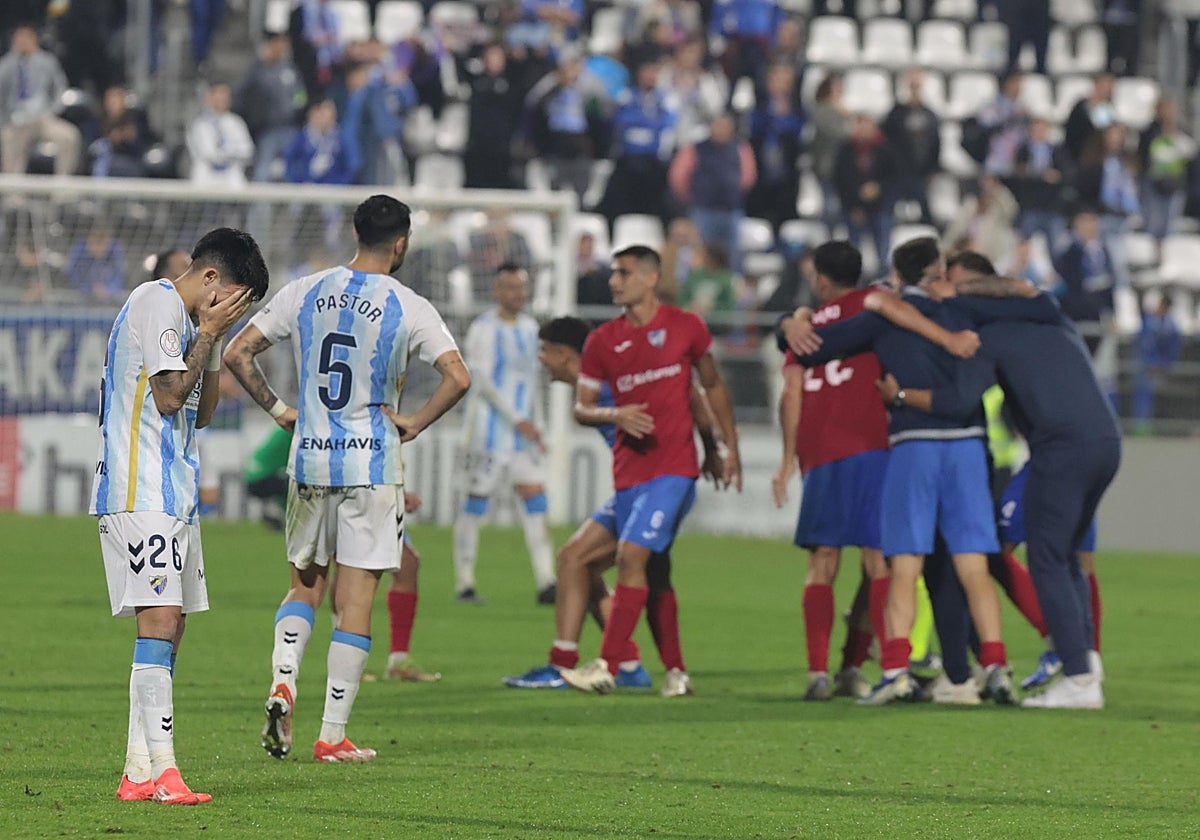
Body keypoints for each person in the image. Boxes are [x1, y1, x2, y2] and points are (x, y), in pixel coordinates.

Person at [222, 195, 470, 762]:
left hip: (310, 461)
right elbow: (458, 377)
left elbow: (239, 352)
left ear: (355, 232)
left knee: (304, 587)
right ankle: (331, 734)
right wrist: (413, 423)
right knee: (355, 601)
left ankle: (284, 681)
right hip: (372, 468)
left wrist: (281, 411)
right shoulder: (410, 306)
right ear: (401, 243)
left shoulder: (305, 290)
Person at [866, 271, 1121, 709]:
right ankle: (1087, 663)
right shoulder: (1052, 322)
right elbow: (1030, 300)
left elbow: (958, 401)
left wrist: (901, 396)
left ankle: (1079, 678)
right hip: (1106, 441)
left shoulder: (992, 339)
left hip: (1060, 449)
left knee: (1046, 560)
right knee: (1068, 555)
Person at [786, 237, 1014, 706]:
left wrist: (790, 323)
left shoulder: (879, 317)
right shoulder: (968, 315)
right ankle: (995, 668)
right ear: (939, 271)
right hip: (968, 448)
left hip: (913, 447)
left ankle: (894, 670)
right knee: (973, 567)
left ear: (897, 274)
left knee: (903, 566)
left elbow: (811, 351)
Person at [91, 228, 267, 804]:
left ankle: (137, 770)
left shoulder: (191, 325)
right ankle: (166, 774)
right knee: (161, 620)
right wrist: (208, 332)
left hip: (173, 495)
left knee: (173, 625)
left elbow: (205, 409)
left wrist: (212, 340)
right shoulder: (157, 300)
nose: (232, 312)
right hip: (141, 489)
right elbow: (168, 397)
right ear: (211, 278)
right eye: (234, 298)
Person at [559, 245, 743, 697]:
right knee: (654, 570)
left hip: (675, 470)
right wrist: (615, 415)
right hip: (629, 474)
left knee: (631, 557)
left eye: (623, 273)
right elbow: (582, 409)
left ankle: (609, 663)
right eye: (613, 273)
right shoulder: (602, 341)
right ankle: (676, 672)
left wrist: (722, 446)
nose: (613, 281)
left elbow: (710, 388)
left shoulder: (687, 327)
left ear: (649, 278)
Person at [504, 316, 724, 691]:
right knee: (586, 561)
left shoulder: (615, 375)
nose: (541, 359)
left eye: (544, 350)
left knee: (600, 561)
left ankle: (576, 664)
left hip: (664, 482)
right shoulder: (591, 388)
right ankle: (634, 666)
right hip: (633, 488)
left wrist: (713, 447)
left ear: (563, 353)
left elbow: (688, 390)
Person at [770, 241, 890, 702]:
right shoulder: (878, 308)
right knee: (878, 561)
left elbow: (791, 394)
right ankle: (859, 667)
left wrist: (786, 461)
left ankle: (818, 673)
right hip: (873, 446)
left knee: (823, 561)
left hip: (821, 454)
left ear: (821, 279)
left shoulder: (804, 329)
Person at [454, 264, 555, 605]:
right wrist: (517, 420)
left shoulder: (531, 328)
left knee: (536, 501)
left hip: (522, 437)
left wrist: (537, 425)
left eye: (521, 287)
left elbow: (532, 382)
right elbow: (480, 382)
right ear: (496, 291)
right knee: (476, 505)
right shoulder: (483, 329)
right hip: (487, 433)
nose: (518, 293)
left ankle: (546, 581)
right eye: (510, 287)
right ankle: (465, 581)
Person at [669, 113, 757, 272]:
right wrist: (690, 198)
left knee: (733, 257)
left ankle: (731, 289)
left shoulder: (740, 148)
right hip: (703, 210)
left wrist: (734, 192)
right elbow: (678, 177)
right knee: (700, 254)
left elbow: (748, 177)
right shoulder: (695, 149)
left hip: (731, 210)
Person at [0, 23, 82, 176]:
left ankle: (62, 189)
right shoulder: (6, 64)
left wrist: (52, 111)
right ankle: (14, 197)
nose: (23, 41)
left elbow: (60, 89)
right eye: (19, 37)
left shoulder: (47, 62)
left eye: (26, 37)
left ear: (34, 39)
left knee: (69, 137)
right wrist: (4, 120)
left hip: (43, 118)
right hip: (15, 120)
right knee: (9, 142)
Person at [187, 83, 256, 188]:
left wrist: (227, 154)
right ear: (209, 98)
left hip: (232, 178)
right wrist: (231, 153)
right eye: (218, 96)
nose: (222, 99)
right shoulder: (200, 124)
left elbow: (247, 151)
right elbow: (209, 153)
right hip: (207, 177)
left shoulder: (236, 122)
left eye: (225, 96)